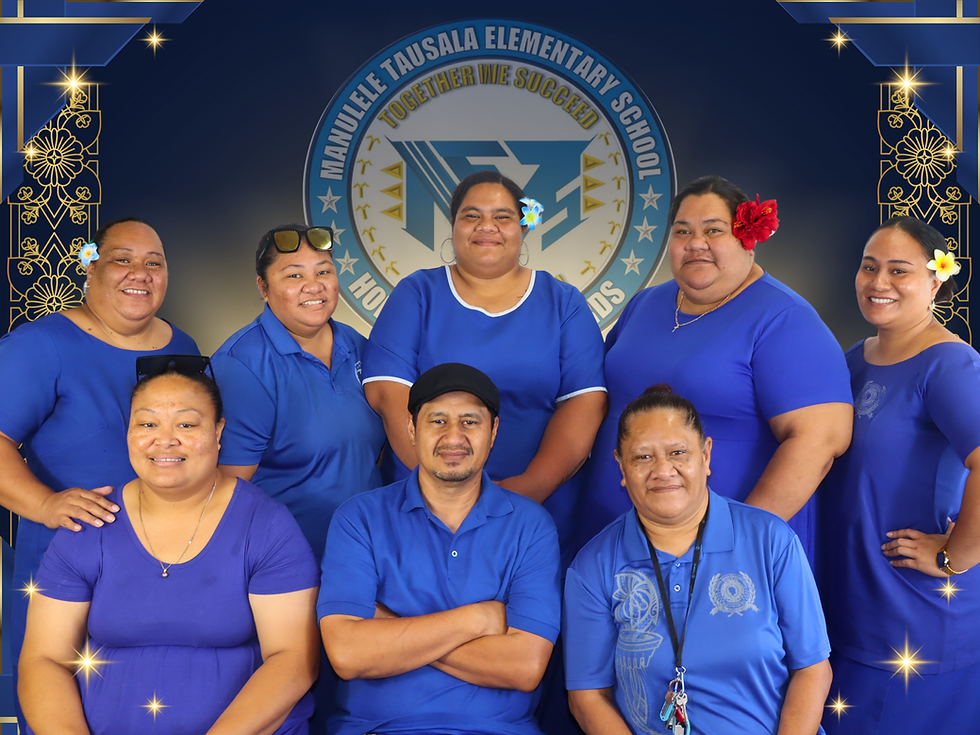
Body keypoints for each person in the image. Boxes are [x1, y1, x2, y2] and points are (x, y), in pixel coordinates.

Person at [18, 357, 320, 734]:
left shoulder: (268, 525)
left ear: (218, 431)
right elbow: (44, 659)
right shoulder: (90, 524)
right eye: (147, 423)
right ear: (128, 431)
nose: (165, 439)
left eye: (187, 424)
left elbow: (294, 659)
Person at [576, 175, 852, 557]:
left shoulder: (786, 320)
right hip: (610, 535)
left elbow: (820, 441)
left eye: (713, 230)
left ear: (747, 238)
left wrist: (736, 543)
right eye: (682, 231)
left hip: (721, 549)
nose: (695, 244)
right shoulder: (645, 304)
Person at [0, 217, 198, 729]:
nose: (140, 272)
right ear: (90, 267)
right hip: (68, 576)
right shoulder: (41, 344)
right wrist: (45, 503)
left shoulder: (183, 346)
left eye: (154, 262)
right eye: (122, 259)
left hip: (164, 576)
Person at [362, 171, 607, 565]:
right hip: (427, 507)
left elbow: (584, 403)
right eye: (471, 216)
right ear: (454, 226)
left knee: (524, 622)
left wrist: (528, 489)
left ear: (524, 227)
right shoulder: (417, 293)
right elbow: (390, 398)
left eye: (503, 216)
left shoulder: (564, 302)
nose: (487, 227)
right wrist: (448, 491)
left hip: (537, 508)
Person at [564, 385, 832, 734]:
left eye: (678, 452)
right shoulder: (594, 566)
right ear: (621, 464)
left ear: (705, 456)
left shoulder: (770, 539)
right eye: (643, 456)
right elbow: (587, 697)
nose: (663, 470)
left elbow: (812, 669)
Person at [318, 363, 561, 735]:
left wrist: (392, 632)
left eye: (469, 422)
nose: (453, 437)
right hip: (378, 729)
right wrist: (478, 619)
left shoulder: (532, 526)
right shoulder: (359, 518)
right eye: (437, 421)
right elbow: (348, 655)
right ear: (412, 429)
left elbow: (524, 667)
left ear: (493, 432)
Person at [818, 217, 980, 733]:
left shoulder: (949, 366)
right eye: (869, 267)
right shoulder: (852, 360)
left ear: (937, 280)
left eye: (898, 270)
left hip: (916, 618)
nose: (878, 282)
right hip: (852, 609)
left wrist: (959, 555)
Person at [212, 223, 385, 562]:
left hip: (368, 554)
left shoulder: (356, 344)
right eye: (293, 276)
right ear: (263, 287)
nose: (314, 286)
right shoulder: (242, 367)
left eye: (324, 271)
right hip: (289, 566)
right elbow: (226, 495)